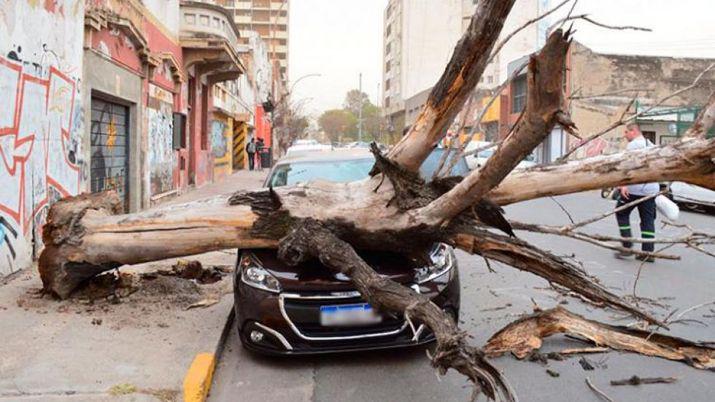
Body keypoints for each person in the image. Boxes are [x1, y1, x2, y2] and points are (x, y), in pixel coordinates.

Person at [614, 123, 658, 263]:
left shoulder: (633, 146)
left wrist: (623, 185)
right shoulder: (651, 145)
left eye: (626, 132)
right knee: (647, 220)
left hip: (634, 189)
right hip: (651, 189)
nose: (625, 135)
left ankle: (627, 245)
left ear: (633, 131)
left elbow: (627, 166)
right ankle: (648, 252)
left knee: (621, 212)